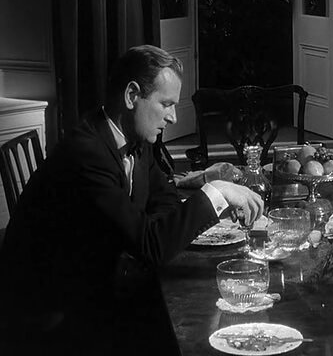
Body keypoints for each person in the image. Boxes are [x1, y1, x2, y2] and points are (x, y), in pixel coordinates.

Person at [0, 45, 263, 355]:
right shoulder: (87, 153)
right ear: (131, 96)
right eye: (166, 104)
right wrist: (216, 192)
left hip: (98, 279)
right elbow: (152, 247)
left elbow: (164, 200)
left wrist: (155, 233)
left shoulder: (134, 137)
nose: (173, 117)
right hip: (52, 312)